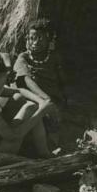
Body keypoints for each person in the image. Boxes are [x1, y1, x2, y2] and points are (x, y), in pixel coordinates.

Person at [14, 18, 67, 147]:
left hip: (52, 97)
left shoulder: (54, 57)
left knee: (56, 119)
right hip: (34, 97)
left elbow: (62, 80)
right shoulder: (24, 57)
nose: (35, 42)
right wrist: (45, 98)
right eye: (32, 38)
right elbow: (26, 80)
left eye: (40, 38)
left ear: (49, 40)